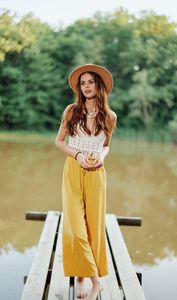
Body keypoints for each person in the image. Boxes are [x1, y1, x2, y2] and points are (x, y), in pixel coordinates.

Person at [55, 64, 117, 300]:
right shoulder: (72, 111)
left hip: (96, 174)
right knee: (76, 230)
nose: (87, 86)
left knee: (93, 227)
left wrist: (101, 156)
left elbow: (106, 144)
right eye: (83, 83)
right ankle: (95, 282)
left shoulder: (110, 116)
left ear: (99, 86)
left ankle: (81, 280)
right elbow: (59, 142)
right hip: (73, 169)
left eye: (91, 82)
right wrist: (78, 155)